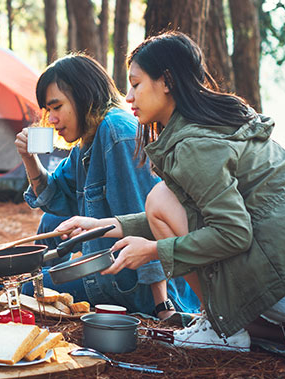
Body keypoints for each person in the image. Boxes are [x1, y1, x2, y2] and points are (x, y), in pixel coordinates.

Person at [60, 31, 285, 352]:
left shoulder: (195, 144)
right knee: (164, 200)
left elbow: (234, 234)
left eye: (136, 84)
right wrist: (105, 226)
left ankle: (222, 329)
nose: (128, 97)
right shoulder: (221, 124)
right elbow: (191, 213)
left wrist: (153, 251)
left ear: (166, 81)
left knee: (160, 198)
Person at [16, 53, 199, 320]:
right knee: (51, 220)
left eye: (57, 107)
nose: (52, 119)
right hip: (110, 270)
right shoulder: (88, 141)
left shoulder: (116, 133)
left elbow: (147, 218)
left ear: (83, 96)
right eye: (48, 111)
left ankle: (36, 281)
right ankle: (38, 277)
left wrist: (162, 307)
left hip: (133, 284)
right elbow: (54, 197)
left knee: (26, 290)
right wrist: (29, 159)